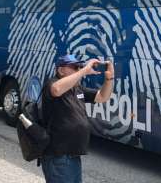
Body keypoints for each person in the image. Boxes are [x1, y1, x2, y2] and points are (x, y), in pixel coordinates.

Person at [40, 54, 115, 183]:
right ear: (61, 70)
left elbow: (102, 97)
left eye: (79, 66)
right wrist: (84, 70)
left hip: (73, 154)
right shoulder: (52, 83)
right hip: (58, 155)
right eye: (75, 67)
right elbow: (56, 90)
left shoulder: (78, 89)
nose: (78, 69)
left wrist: (109, 79)